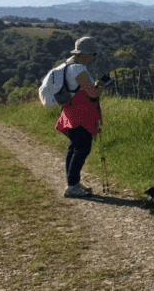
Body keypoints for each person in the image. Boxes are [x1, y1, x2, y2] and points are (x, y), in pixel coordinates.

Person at [56, 37, 105, 198]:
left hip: (71, 111)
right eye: (93, 54)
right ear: (86, 54)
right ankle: (72, 187)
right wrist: (101, 86)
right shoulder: (79, 70)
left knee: (73, 148)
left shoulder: (68, 66)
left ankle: (73, 183)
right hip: (82, 114)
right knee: (82, 149)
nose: (94, 57)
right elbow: (92, 93)